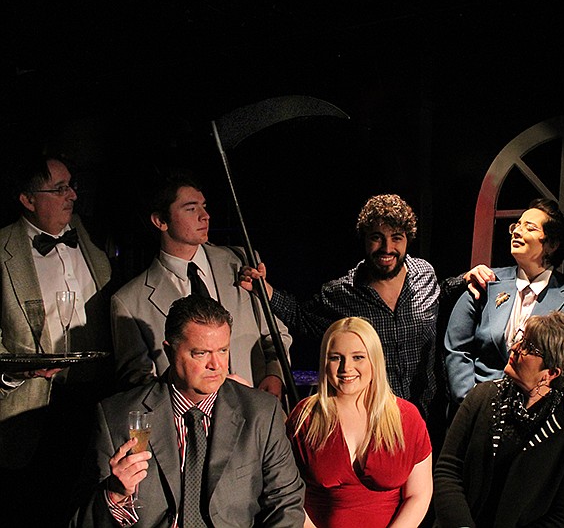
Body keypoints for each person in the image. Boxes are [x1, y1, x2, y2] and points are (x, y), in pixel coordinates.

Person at [70, 294, 306, 527]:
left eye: (223, 351)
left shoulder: (261, 413)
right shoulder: (117, 416)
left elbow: (286, 503)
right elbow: (81, 521)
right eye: (200, 353)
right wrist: (114, 495)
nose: (215, 365)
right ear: (170, 352)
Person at [241, 193, 458, 421]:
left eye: (396, 238)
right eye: (377, 237)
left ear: (407, 239)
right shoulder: (341, 294)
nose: (387, 247)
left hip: (430, 417)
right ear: (364, 238)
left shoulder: (424, 274)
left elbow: (441, 295)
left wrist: (467, 279)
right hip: (374, 420)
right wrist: (265, 290)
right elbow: (300, 317)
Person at [0, 151, 114, 525]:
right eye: (60, 188)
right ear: (27, 199)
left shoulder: (89, 237)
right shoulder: (4, 250)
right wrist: (21, 371)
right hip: (31, 408)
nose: (72, 196)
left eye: (72, 187)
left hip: (93, 397)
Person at [111, 169, 292, 398]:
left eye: (203, 206)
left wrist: (274, 375)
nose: (204, 216)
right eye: (190, 209)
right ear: (160, 221)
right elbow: (137, 384)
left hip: (256, 411)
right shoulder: (129, 301)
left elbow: (276, 334)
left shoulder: (242, 263)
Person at [434, 311, 564, 527]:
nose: (515, 348)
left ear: (551, 373)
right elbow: (448, 470)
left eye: (529, 348)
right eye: (521, 339)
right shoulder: (482, 396)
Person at [444, 197, 564, 408]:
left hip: (534, 415)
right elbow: (457, 347)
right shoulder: (487, 281)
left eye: (529, 227)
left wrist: (532, 407)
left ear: (551, 244)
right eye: (517, 225)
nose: (516, 231)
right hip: (475, 407)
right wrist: (470, 401)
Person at [287, 316, 432, 528]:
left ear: (374, 360)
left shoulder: (406, 417)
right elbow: (287, 493)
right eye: (336, 357)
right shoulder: (305, 417)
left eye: (358, 357)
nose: (346, 367)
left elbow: (419, 494)